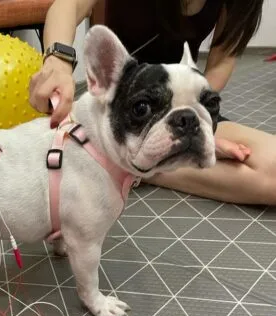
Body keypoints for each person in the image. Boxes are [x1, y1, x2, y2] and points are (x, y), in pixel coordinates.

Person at [29, 0, 276, 206]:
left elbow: (221, 63)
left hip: (182, 102)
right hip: (122, 110)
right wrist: (58, 61)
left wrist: (199, 132)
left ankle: (134, 165)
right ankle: (131, 155)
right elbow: (68, 5)